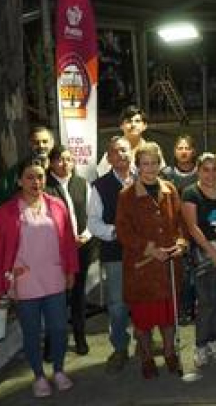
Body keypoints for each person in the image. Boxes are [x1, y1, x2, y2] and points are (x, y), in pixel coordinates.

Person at [0, 159, 79, 398]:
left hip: (55, 277)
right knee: (32, 332)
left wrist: (71, 270)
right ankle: (38, 376)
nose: (36, 182)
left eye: (40, 176)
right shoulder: (6, 212)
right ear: (19, 181)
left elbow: (69, 242)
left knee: (59, 328)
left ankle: (58, 370)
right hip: (24, 281)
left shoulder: (57, 205)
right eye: (29, 177)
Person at [115, 142, 189, 379]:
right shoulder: (126, 195)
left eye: (154, 163)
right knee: (144, 321)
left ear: (160, 164)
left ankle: (169, 353)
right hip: (142, 271)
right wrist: (150, 249)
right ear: (137, 166)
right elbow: (123, 232)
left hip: (168, 268)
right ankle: (146, 358)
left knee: (169, 318)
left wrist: (181, 242)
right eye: (145, 164)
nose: (150, 168)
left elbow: (180, 223)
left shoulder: (170, 189)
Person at [181, 152, 216, 368]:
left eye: (214, 169)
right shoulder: (190, 193)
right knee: (205, 302)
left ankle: (214, 338)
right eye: (206, 169)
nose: (210, 174)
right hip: (204, 256)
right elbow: (192, 227)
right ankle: (200, 344)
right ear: (198, 170)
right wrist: (211, 252)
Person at [87, 136, 134, 374]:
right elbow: (93, 223)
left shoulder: (145, 178)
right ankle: (120, 347)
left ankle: (147, 342)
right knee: (117, 305)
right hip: (115, 253)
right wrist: (116, 232)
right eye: (116, 151)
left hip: (146, 252)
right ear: (109, 157)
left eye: (125, 150)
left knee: (147, 299)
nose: (121, 154)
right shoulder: (100, 186)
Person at [45, 147, 94, 356]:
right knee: (56, 298)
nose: (65, 164)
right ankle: (52, 343)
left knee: (78, 295)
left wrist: (86, 235)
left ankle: (80, 337)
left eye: (68, 159)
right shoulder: (45, 187)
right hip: (55, 252)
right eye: (59, 160)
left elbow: (93, 213)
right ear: (51, 163)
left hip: (82, 248)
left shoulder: (82, 184)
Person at [161, 134, 199, 325]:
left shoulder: (202, 171)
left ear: (194, 151)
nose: (184, 152)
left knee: (198, 273)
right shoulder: (166, 174)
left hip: (198, 228)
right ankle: (181, 309)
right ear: (175, 151)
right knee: (180, 274)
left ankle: (196, 308)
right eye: (180, 148)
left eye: (187, 148)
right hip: (176, 230)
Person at [0, 125, 56, 203]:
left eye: (45, 141)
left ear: (52, 143)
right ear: (30, 144)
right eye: (36, 142)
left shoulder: (60, 168)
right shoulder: (17, 171)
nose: (41, 146)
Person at [97, 105, 148, 178]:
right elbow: (101, 176)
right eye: (129, 121)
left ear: (145, 126)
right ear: (121, 126)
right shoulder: (113, 150)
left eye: (137, 121)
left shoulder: (152, 150)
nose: (133, 125)